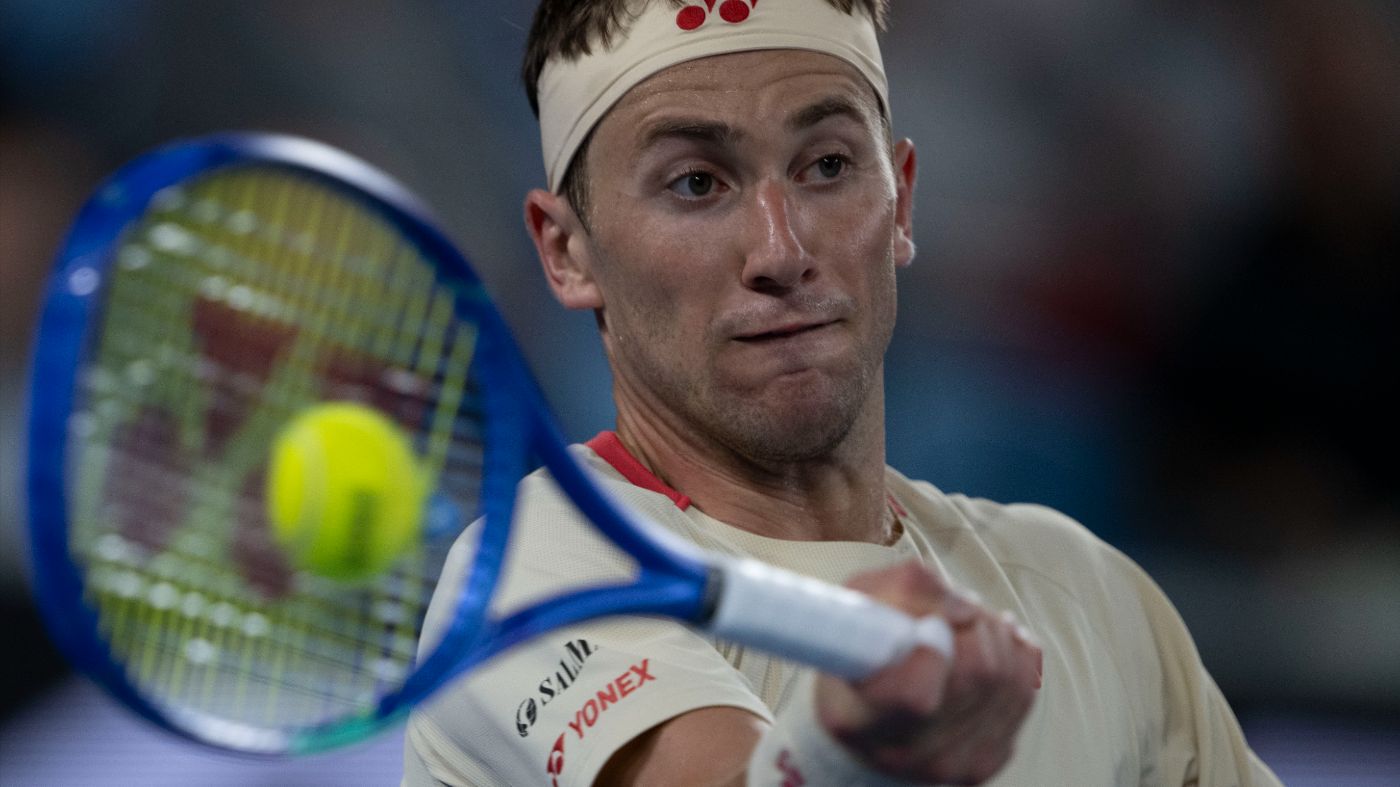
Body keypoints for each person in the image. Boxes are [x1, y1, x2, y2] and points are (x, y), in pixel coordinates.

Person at [403, 1, 1282, 784]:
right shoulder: (527, 574)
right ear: (566, 252)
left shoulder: (1088, 594)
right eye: (696, 183)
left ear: (900, 201)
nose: (780, 250)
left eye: (825, 165)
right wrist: (840, 756)